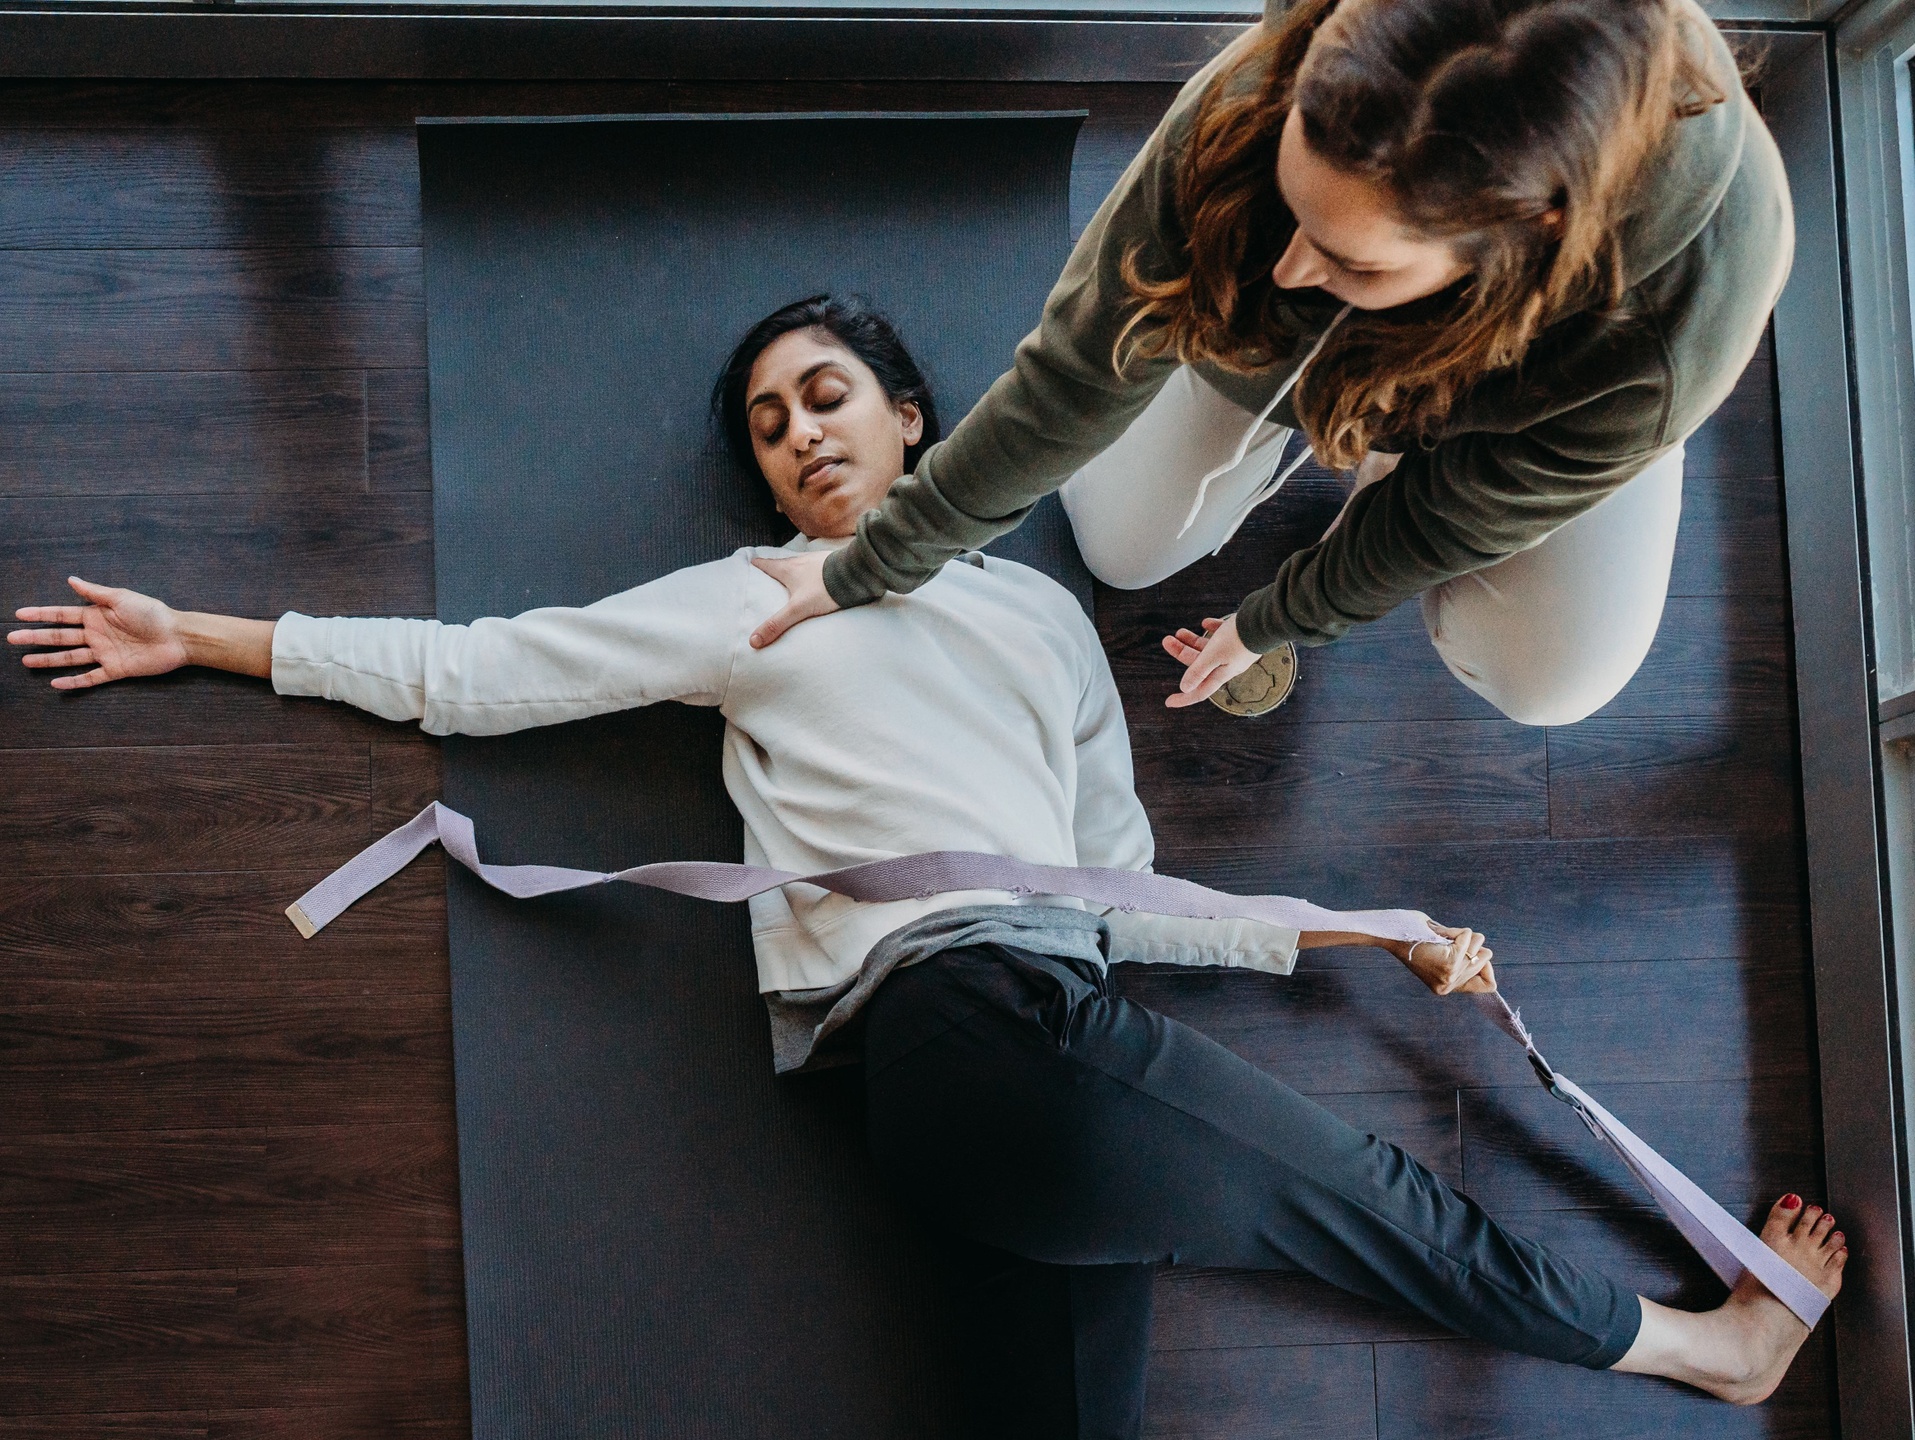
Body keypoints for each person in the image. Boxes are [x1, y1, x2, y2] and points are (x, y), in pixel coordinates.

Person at [11, 297, 1840, 1437]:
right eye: (768, 425)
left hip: (1046, 1042)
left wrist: (1355, 936)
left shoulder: (1040, 618)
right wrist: (216, 638)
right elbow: (480, 671)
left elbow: (1122, 888)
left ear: (909, 415)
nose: (800, 433)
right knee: (1369, 1199)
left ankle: (1703, 1351)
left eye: (825, 395)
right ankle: (1707, 1356)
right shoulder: (757, 599)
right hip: (950, 1036)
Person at [742, 0, 1792, 730]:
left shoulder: (1659, 337)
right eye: (1293, 206)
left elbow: (1437, 525)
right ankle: (1340, 393)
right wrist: (879, 558)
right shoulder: (1275, 93)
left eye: (1349, 260)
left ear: (1527, 234)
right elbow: (1075, 374)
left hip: (1538, 404)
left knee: (1552, 683)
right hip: (1357, 356)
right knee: (1118, 545)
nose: (1289, 270)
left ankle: (1423, 446)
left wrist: (1279, 617)